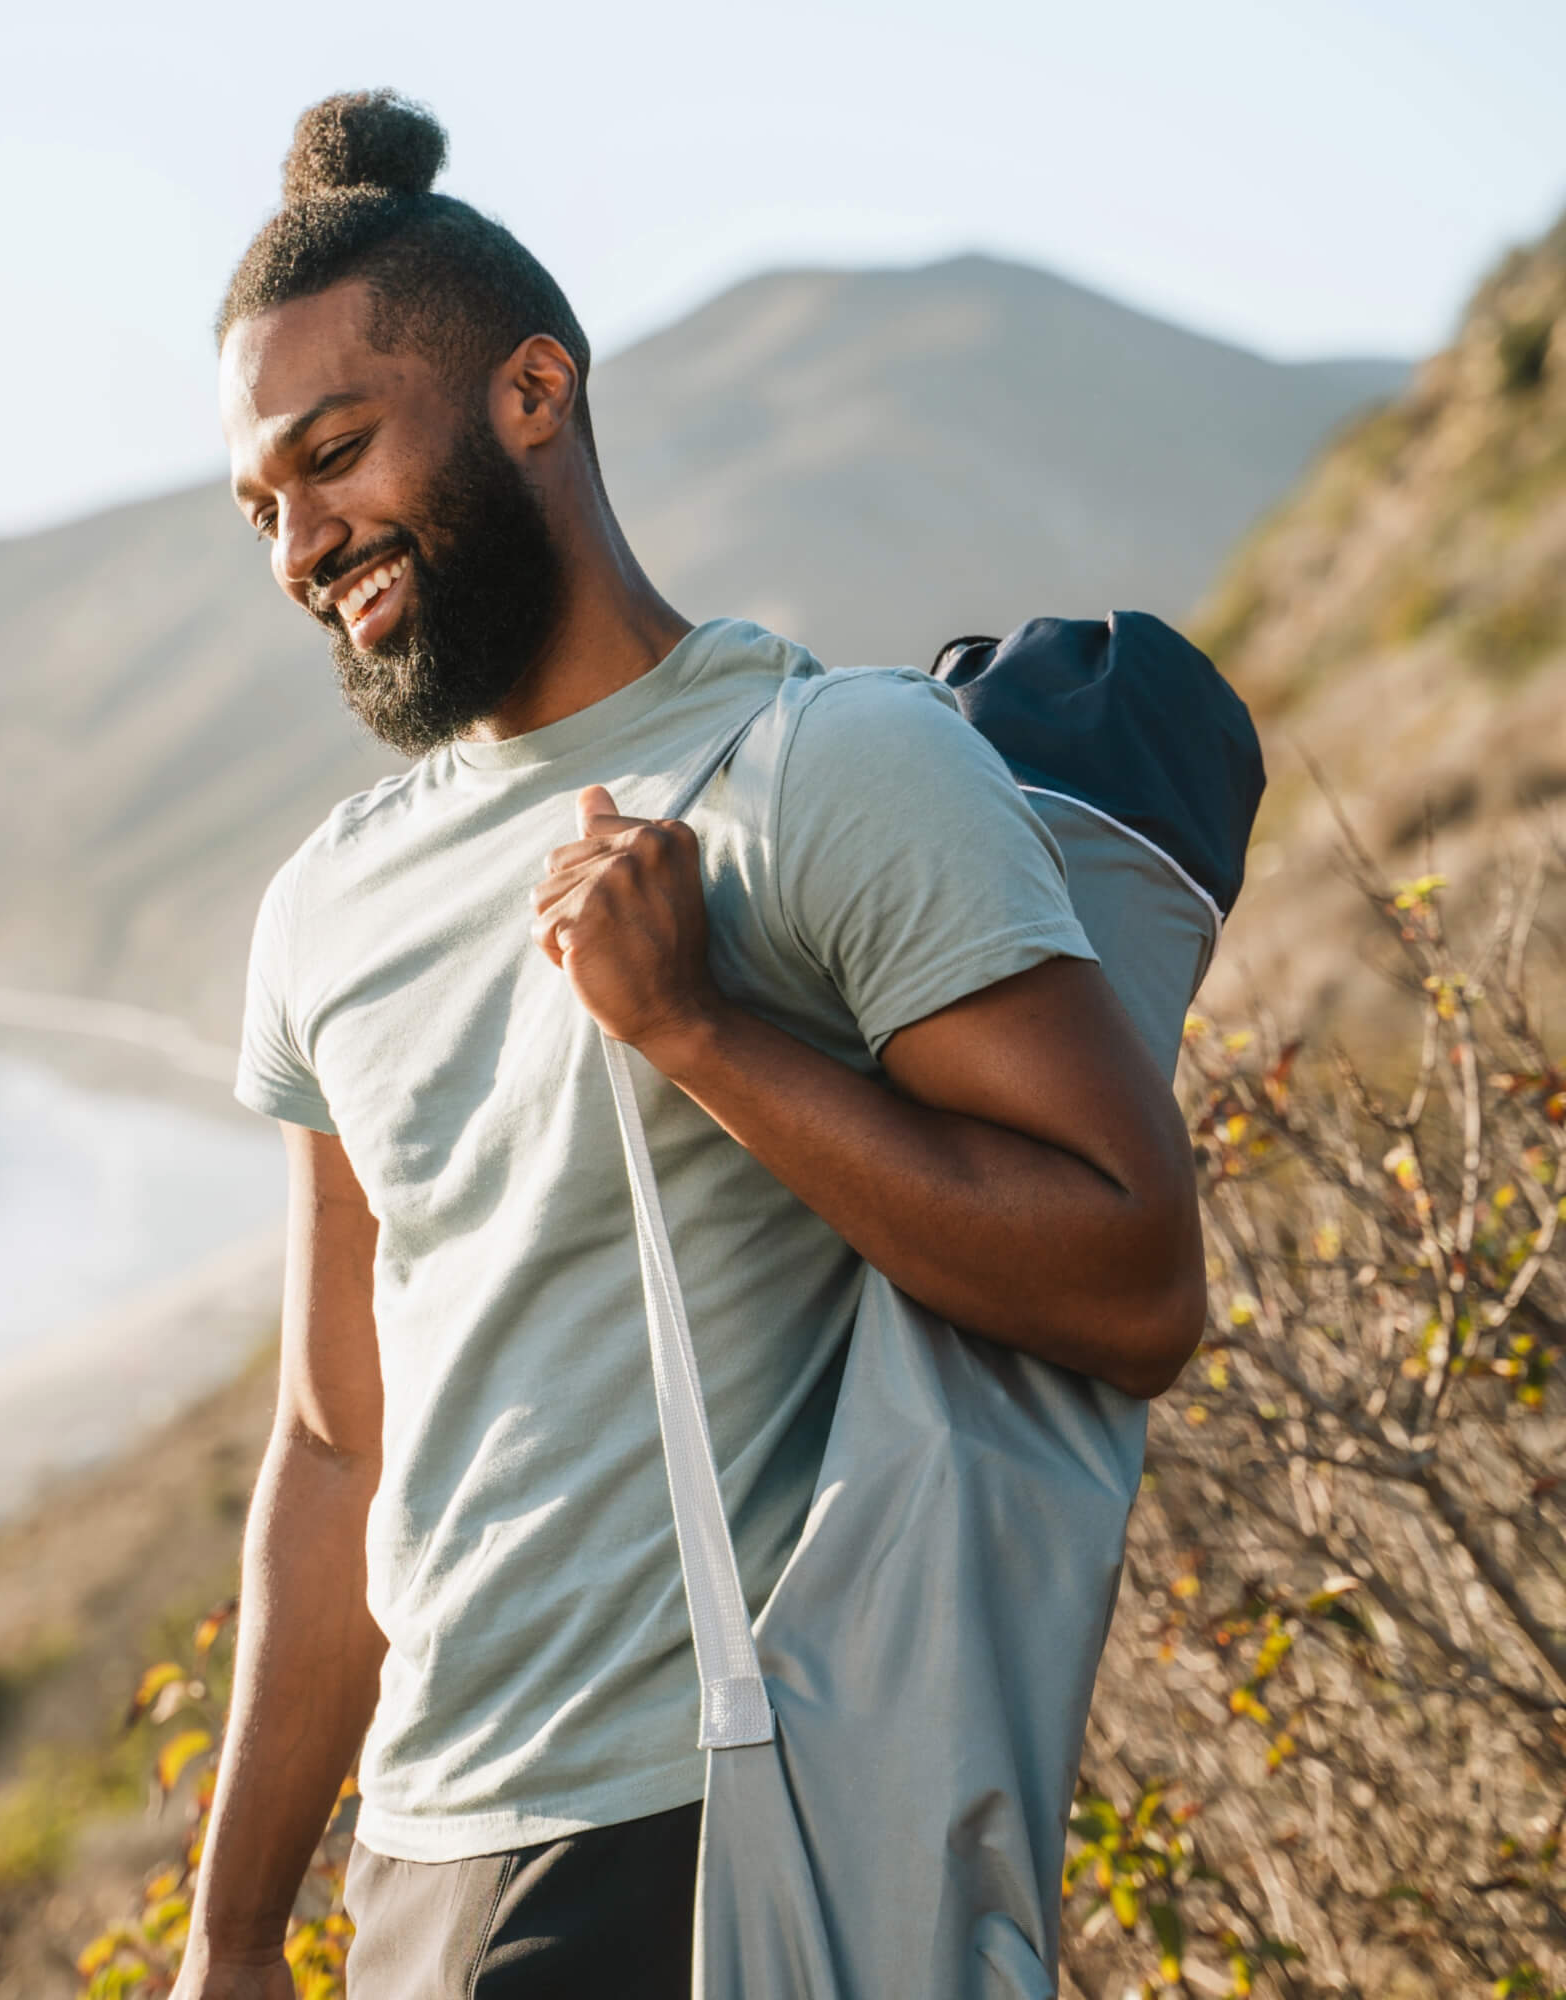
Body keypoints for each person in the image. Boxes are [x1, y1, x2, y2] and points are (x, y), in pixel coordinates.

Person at [173, 88, 1205, 2000]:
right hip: (418, 1857)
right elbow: (333, 1445)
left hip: (710, 1819)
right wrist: (236, 1932)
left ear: (532, 393)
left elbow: (1134, 1278)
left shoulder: (833, 767)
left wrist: (700, 1028)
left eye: (334, 457)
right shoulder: (323, 906)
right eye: (263, 505)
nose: (303, 544)